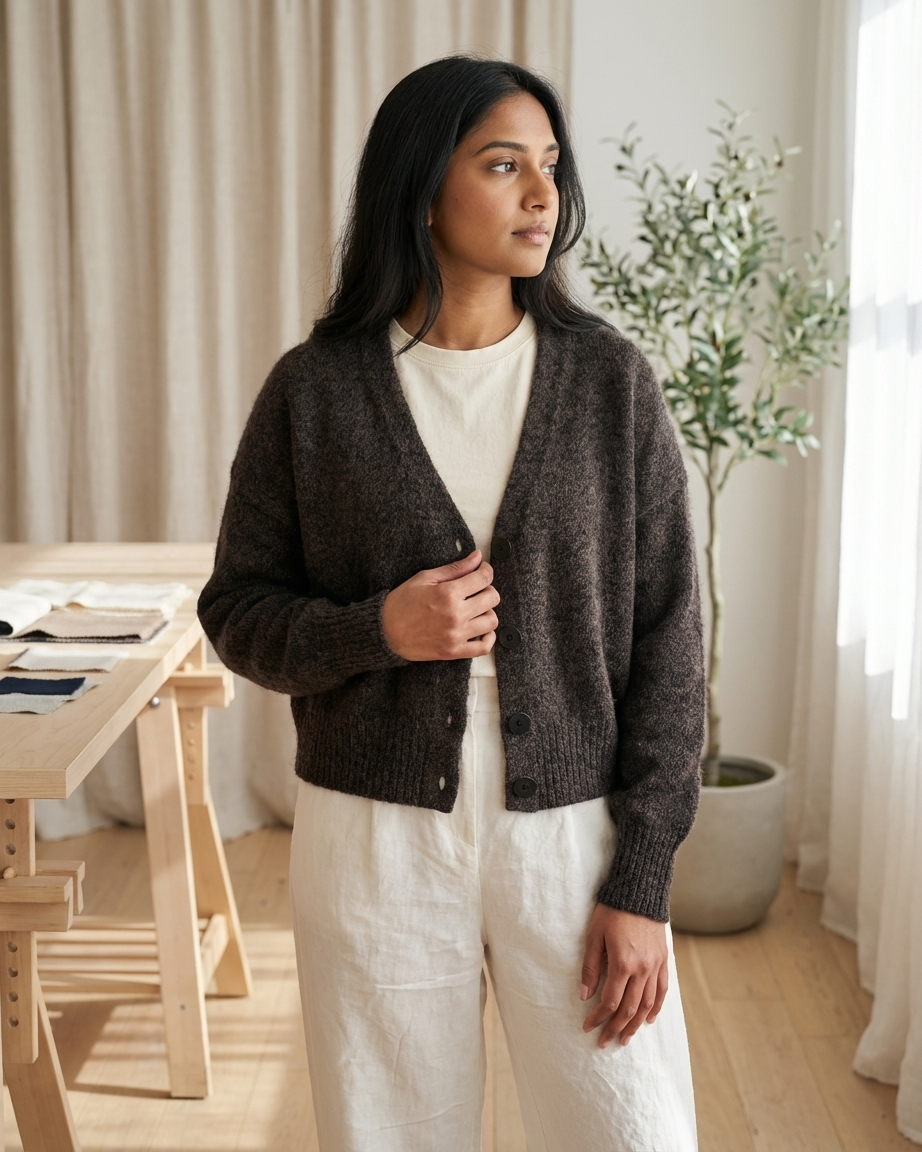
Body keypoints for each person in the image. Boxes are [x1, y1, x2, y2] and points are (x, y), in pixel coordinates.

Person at [198, 53, 704, 1152]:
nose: (541, 195)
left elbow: (671, 636)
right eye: (502, 164)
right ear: (425, 189)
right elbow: (236, 609)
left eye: (550, 168)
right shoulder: (316, 390)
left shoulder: (609, 383)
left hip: (569, 831)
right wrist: (372, 630)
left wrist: (644, 880)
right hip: (372, 834)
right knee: (391, 1134)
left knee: (630, 1131)